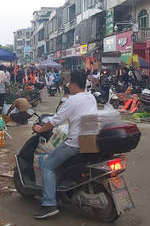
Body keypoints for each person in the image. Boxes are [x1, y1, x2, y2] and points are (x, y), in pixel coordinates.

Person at [31, 70, 97, 219]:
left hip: (75, 143)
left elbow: (55, 121)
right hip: (90, 140)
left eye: (70, 85)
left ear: (73, 84)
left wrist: (40, 128)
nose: (69, 88)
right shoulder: (91, 97)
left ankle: (49, 204)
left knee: (48, 165)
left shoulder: (72, 100)